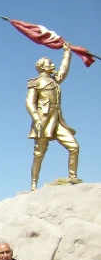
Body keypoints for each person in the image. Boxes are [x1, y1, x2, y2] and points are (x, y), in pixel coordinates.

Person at [26, 43, 81, 191]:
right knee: (39, 153)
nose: (53, 64)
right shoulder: (35, 82)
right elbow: (29, 102)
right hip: (43, 120)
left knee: (74, 146)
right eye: (50, 63)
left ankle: (73, 176)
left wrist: (67, 53)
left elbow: (63, 70)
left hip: (57, 119)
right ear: (42, 67)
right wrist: (36, 118)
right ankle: (33, 184)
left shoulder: (55, 80)